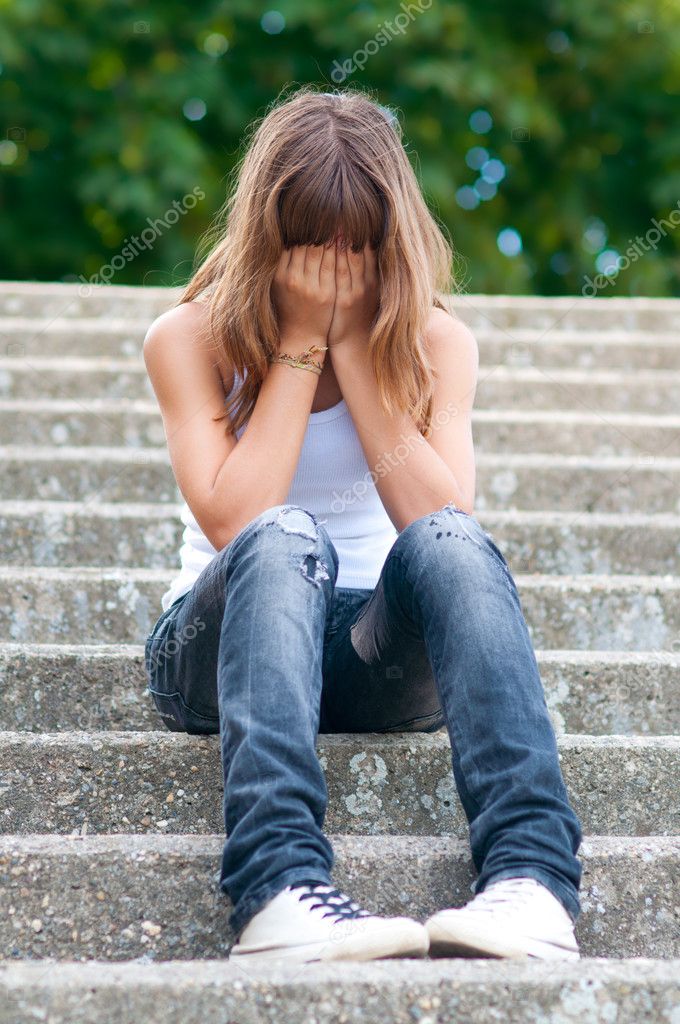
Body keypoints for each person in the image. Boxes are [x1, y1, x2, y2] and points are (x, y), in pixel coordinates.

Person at [142, 85, 582, 966]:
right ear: (271, 239)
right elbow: (237, 517)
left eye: (358, 250)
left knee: (453, 538)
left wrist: (362, 353)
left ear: (394, 244)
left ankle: (533, 882)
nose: (335, 270)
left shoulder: (437, 344)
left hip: (373, 655)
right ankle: (275, 889)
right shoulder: (189, 337)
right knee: (285, 534)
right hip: (225, 643)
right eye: (313, 248)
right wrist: (301, 346)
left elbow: (442, 524)